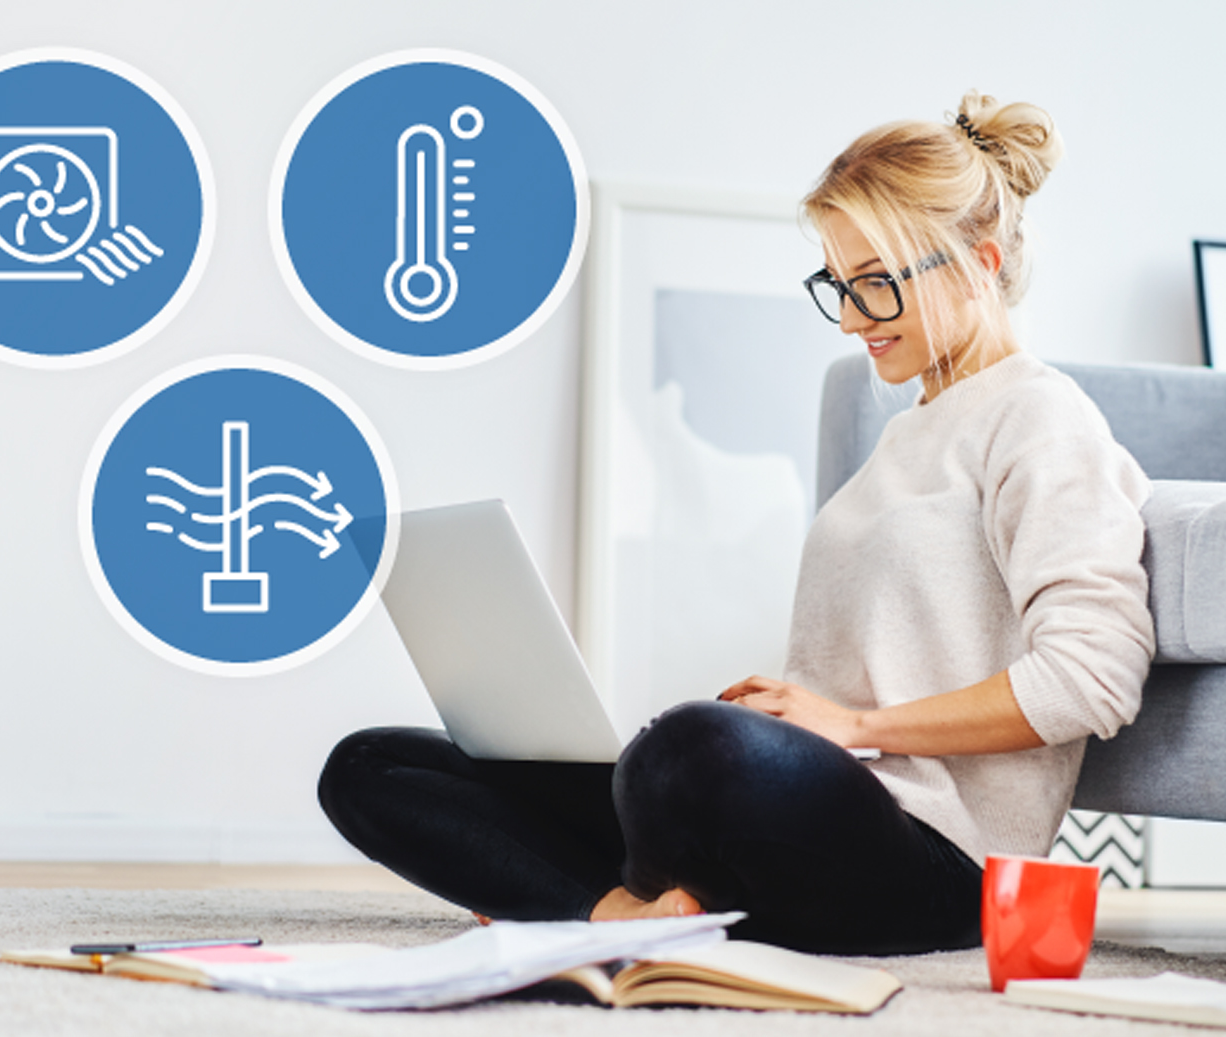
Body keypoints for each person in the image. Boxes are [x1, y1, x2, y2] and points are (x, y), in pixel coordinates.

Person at [317, 92, 1154, 955]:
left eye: (877, 283)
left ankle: (588, 882)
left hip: (940, 858)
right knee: (372, 766)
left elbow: (1093, 676)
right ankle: (622, 915)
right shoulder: (910, 433)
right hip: (816, 809)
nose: (857, 316)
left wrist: (855, 727)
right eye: (840, 283)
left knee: (684, 754)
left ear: (977, 264)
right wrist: (799, 722)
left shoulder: (1041, 418)